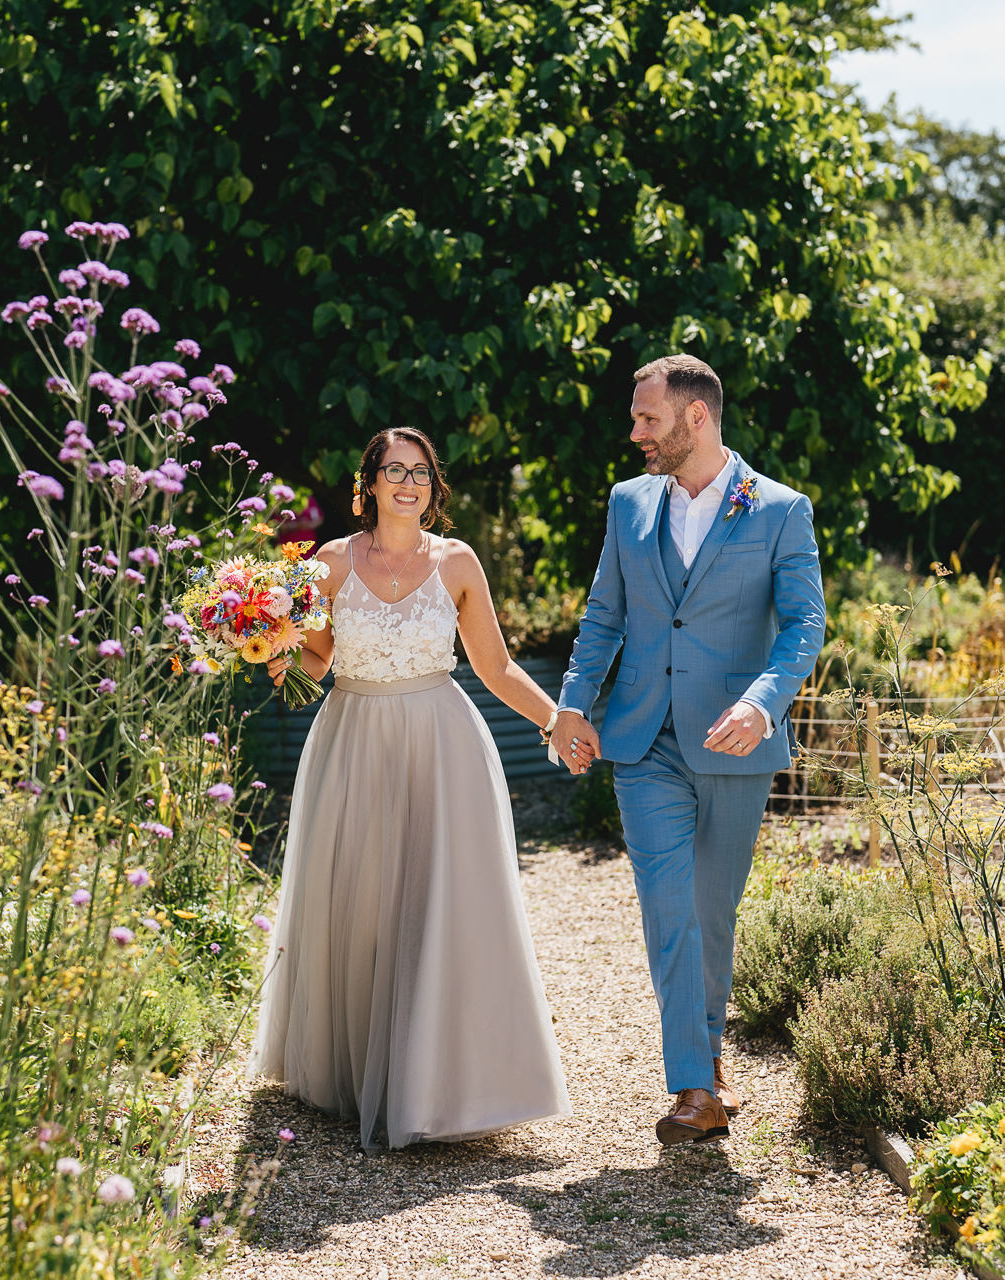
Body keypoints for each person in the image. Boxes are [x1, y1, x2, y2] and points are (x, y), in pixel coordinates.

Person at [248, 427, 571, 1150]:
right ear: (367, 484)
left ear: (435, 486)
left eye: (420, 472)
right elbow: (316, 660)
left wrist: (554, 720)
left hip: (441, 742)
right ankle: (362, 1073)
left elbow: (494, 666)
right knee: (362, 903)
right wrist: (271, 644)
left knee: (442, 904)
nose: (407, 482)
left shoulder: (457, 562)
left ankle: (446, 1082)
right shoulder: (331, 562)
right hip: (353, 739)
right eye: (393, 470)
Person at [550, 354, 825, 1146]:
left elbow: (804, 625)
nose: (635, 432)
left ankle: (708, 1052)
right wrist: (573, 703)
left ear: (694, 417)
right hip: (644, 742)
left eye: (647, 418)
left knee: (712, 909)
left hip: (735, 740)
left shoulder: (778, 509)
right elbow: (605, 615)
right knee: (671, 912)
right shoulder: (627, 504)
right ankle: (695, 1088)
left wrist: (761, 703)